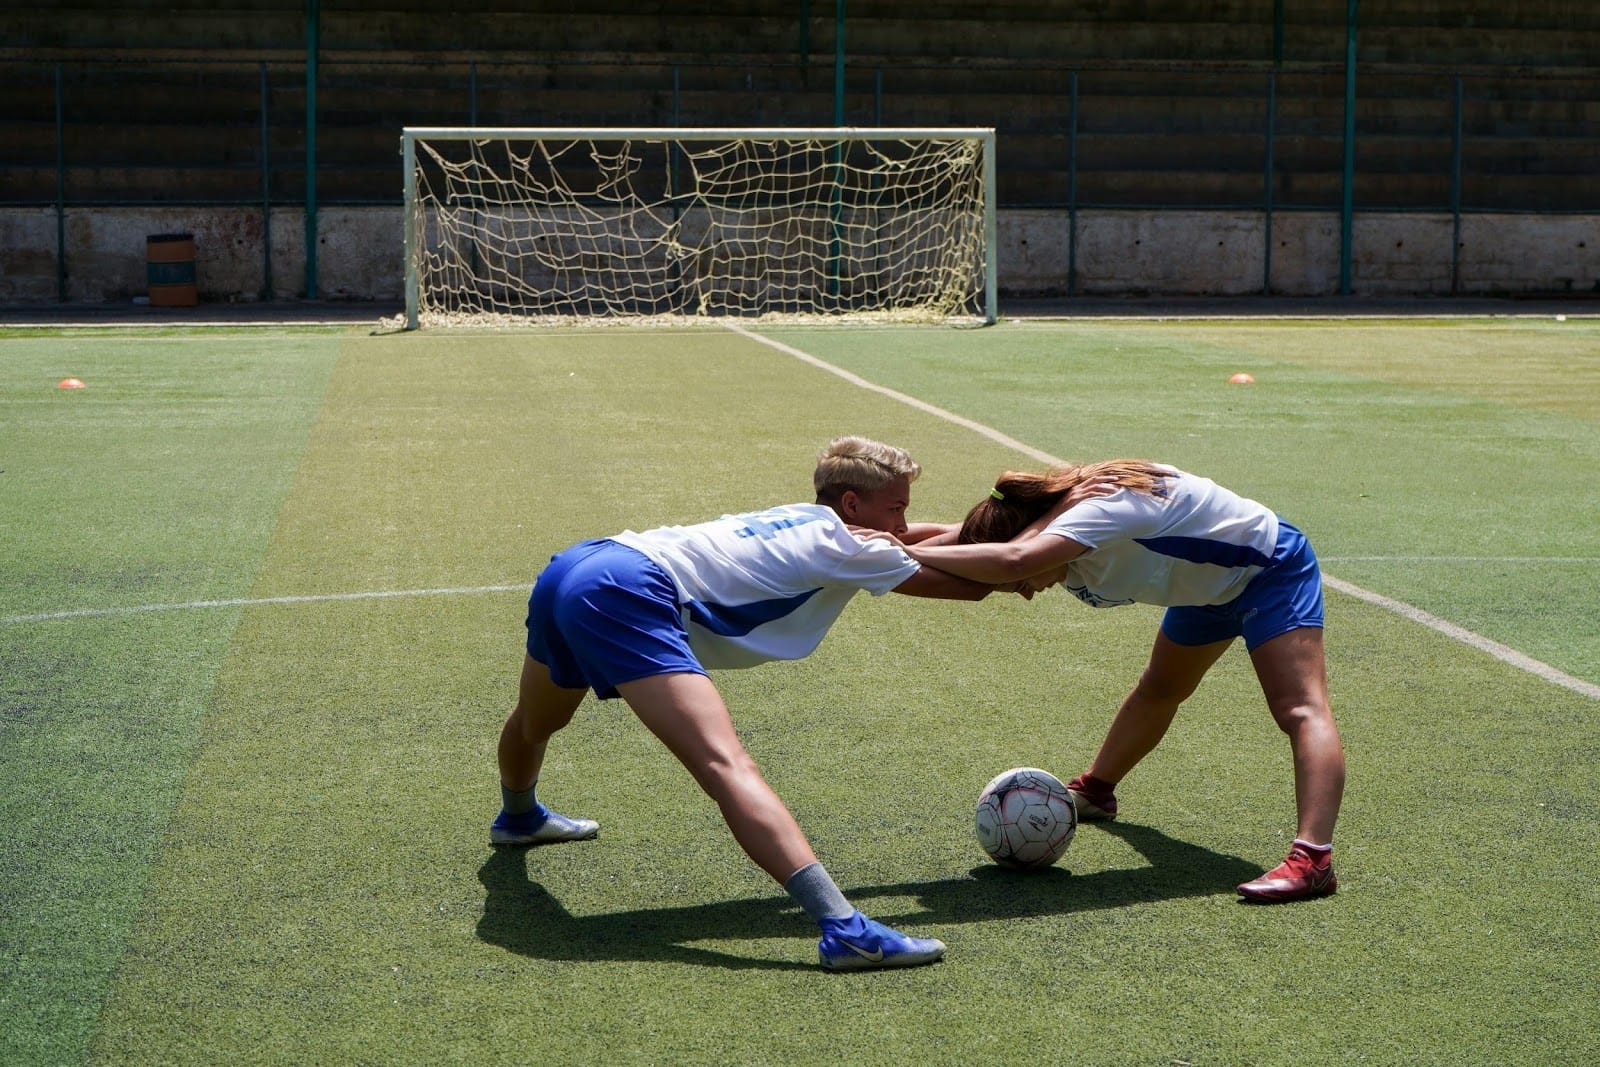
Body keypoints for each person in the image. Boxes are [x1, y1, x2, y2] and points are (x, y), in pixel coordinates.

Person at [492, 437, 1105, 970]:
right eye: (896, 505)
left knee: (539, 719)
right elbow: (965, 586)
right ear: (852, 505)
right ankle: (845, 930)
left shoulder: (806, 519)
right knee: (725, 764)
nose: (904, 518)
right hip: (629, 592)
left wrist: (976, 534)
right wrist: (1039, 553)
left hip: (582, 564)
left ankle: (518, 817)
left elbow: (908, 538)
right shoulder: (851, 546)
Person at [895, 459, 1346, 903]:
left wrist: (909, 554)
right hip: (1205, 589)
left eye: (1021, 587)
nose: (1027, 594)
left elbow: (1015, 560)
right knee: (1160, 688)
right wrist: (860, 539)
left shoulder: (1102, 509)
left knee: (1298, 707)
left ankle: (1313, 861)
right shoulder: (1025, 522)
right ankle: (1096, 791)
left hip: (1268, 570)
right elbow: (959, 539)